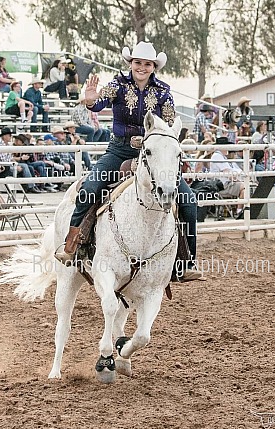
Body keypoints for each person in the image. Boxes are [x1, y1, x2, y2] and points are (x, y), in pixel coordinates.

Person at [55, 41, 201, 281]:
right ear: (130, 63)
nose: (142, 67)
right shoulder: (118, 85)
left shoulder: (163, 92)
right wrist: (91, 100)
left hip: (153, 154)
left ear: (153, 67)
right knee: (90, 188)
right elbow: (99, 103)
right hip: (119, 151)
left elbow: (169, 123)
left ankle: (185, 262)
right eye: (138, 63)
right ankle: (72, 244)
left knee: (188, 201)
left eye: (147, 64)